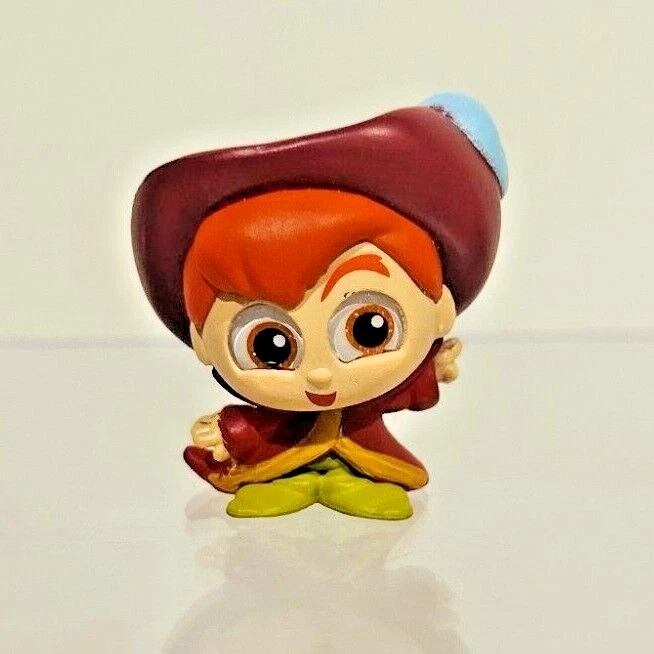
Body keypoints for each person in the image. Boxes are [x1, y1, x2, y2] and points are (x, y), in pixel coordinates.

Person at [132, 92, 508, 519]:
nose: (320, 375)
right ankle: (297, 484)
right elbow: (250, 427)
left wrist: (433, 364)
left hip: (370, 454)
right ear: (202, 340)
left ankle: (346, 484)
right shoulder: (281, 412)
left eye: (369, 328)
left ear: (440, 308)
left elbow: (406, 391)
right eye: (269, 345)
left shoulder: (372, 394)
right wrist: (224, 432)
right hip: (277, 457)